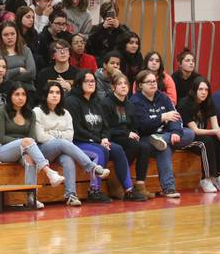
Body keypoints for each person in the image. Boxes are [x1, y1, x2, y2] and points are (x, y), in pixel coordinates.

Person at [66, 70, 144, 202]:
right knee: (100, 151)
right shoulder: (71, 101)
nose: (91, 83)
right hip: (79, 142)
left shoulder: (96, 101)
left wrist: (105, 138)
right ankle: (94, 191)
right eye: (87, 81)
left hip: (97, 141)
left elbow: (105, 126)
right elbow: (77, 129)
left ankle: (129, 190)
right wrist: (98, 140)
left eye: (93, 81)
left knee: (118, 149)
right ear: (79, 83)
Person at [33, 82, 112, 206]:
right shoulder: (37, 111)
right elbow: (40, 136)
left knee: (68, 158)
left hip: (62, 148)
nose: (55, 95)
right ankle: (92, 167)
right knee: (61, 143)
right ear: (45, 95)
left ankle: (71, 195)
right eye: (51, 92)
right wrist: (59, 137)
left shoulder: (66, 113)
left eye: (58, 93)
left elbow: (69, 137)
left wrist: (54, 135)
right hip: (43, 150)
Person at [0, 83, 66, 208]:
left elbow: (32, 138)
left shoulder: (30, 114)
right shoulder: (1, 111)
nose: (20, 98)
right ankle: (48, 171)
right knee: (27, 142)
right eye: (17, 94)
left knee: (30, 160)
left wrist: (25, 144)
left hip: (25, 149)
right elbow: (1, 137)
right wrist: (23, 142)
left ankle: (31, 199)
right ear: (10, 96)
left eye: (23, 94)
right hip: (4, 150)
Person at [130, 69, 188, 198]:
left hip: (164, 135)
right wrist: (162, 117)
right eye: (149, 82)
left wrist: (175, 132)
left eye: (154, 81)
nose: (153, 84)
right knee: (163, 149)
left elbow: (175, 116)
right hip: (147, 138)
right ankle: (169, 189)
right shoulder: (136, 101)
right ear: (140, 85)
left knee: (189, 134)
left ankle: (163, 138)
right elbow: (143, 125)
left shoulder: (163, 97)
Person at [100, 72, 156, 200]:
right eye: (120, 84)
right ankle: (116, 180)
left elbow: (134, 126)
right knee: (135, 146)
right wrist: (127, 133)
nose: (123, 86)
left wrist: (135, 133)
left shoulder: (130, 104)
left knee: (145, 147)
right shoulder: (106, 103)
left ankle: (140, 185)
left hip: (128, 137)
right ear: (113, 87)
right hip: (113, 136)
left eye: (125, 83)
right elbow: (106, 128)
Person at [178, 78, 220, 193]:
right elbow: (195, 130)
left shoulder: (209, 102)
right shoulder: (184, 104)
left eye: (206, 90)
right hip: (186, 138)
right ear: (194, 90)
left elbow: (215, 126)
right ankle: (206, 178)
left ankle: (219, 176)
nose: (204, 92)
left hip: (202, 135)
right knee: (205, 142)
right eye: (200, 89)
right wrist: (215, 132)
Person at [0, 21, 37, 104]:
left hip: (27, 90)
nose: (10, 37)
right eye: (6, 35)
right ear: (1, 37)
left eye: (12, 34)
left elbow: (32, 73)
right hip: (5, 91)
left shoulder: (26, 50)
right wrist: (18, 70)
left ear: (17, 35)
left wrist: (8, 74)